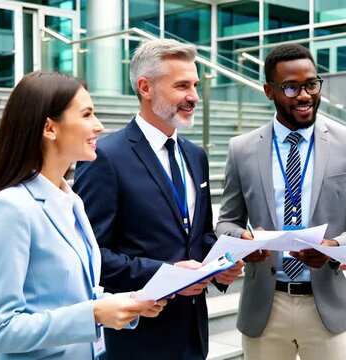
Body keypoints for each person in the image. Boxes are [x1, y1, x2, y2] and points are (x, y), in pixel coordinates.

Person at [0, 72, 166, 360]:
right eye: (87, 115)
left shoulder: (71, 200)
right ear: (49, 128)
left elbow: (71, 296)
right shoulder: (10, 209)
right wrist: (94, 313)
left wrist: (123, 303)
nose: (98, 126)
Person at [73, 39, 243, 360]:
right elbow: (91, 257)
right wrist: (169, 274)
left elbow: (200, 235)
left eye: (194, 84)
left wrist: (221, 267)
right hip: (137, 339)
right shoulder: (105, 157)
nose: (193, 96)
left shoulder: (196, 155)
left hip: (192, 334)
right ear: (145, 87)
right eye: (181, 86)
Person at [216, 43, 346, 360]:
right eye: (291, 87)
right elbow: (226, 221)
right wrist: (244, 240)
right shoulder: (242, 149)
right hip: (265, 305)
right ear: (269, 91)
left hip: (328, 307)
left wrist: (338, 246)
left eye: (311, 84)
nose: (304, 95)